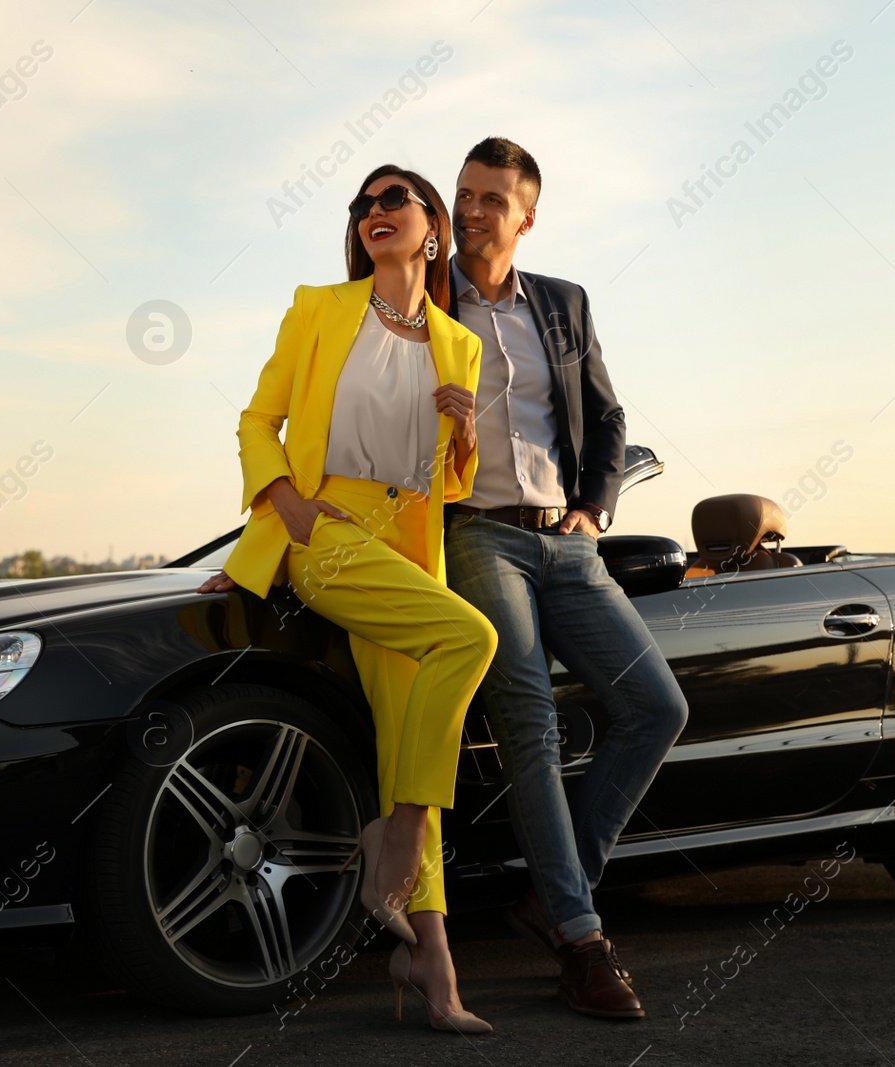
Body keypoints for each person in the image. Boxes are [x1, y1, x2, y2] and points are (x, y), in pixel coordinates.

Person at [196, 165, 497, 1034]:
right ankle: (397, 837)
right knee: (469, 638)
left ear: (432, 226)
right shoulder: (319, 308)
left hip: (405, 547)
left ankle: (431, 963)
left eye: (391, 199)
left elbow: (441, 481)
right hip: (323, 530)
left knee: (416, 731)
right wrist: (285, 507)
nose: (373, 212)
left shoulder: (458, 342)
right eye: (362, 205)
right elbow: (258, 420)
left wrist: (468, 433)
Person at [441, 137, 690, 1019]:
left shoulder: (563, 303)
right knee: (531, 721)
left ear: (527, 216)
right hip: (477, 537)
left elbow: (610, 413)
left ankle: (554, 895)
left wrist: (596, 508)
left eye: (490, 200)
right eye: (463, 194)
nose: (470, 211)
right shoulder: (420, 303)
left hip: (568, 543)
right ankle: (584, 941)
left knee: (657, 706)